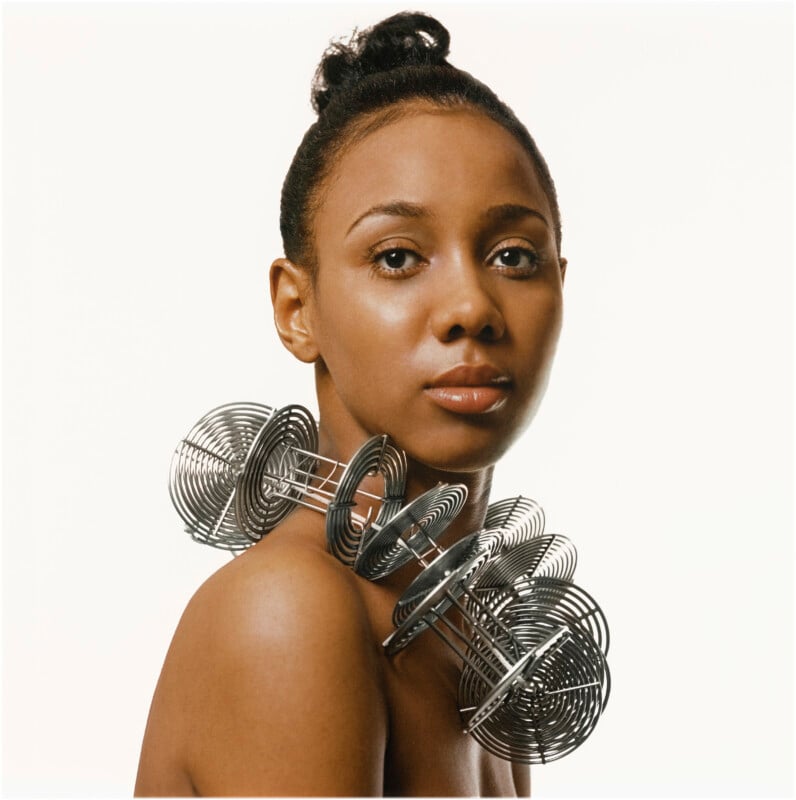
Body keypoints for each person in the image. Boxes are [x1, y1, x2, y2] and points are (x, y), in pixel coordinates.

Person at [135, 11, 567, 796]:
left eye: (513, 255)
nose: (470, 305)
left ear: (562, 284)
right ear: (298, 309)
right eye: (398, 257)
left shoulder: (480, 642)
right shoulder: (291, 615)